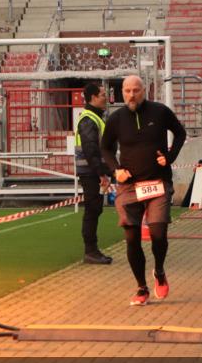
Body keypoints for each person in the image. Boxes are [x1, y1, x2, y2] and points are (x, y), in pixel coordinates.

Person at [101, 75, 186, 306]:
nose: (131, 95)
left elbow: (180, 133)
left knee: (158, 234)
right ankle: (141, 287)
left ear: (144, 91)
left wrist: (169, 157)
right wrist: (115, 169)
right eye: (127, 91)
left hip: (157, 183)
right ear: (122, 93)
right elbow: (105, 147)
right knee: (131, 238)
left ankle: (159, 270)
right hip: (129, 186)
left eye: (136, 90)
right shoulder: (116, 118)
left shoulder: (160, 111)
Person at [74, 82, 113, 265]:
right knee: (92, 210)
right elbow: (91, 149)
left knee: (94, 210)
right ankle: (90, 251)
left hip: (92, 172)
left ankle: (92, 250)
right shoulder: (89, 119)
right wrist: (101, 173)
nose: (106, 98)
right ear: (93, 97)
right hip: (91, 173)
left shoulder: (94, 117)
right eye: (103, 95)